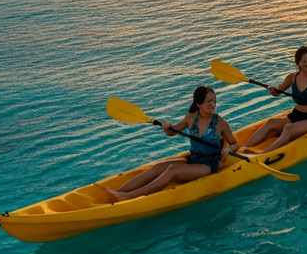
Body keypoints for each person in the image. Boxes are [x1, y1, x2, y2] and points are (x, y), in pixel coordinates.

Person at [102, 86, 239, 202]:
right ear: (199, 103)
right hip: (194, 159)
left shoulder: (221, 123)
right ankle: (117, 192)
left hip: (208, 165)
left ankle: (128, 197)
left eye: (214, 101)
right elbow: (172, 132)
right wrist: (166, 127)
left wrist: (226, 148)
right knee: (159, 167)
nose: (213, 104)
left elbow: (234, 145)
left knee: (172, 169)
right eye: (209, 101)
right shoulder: (191, 118)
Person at [242, 46, 307, 154]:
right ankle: (242, 149)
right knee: (271, 122)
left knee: (288, 128)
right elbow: (278, 91)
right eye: (304, 61)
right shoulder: (292, 77)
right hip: (295, 115)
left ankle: (262, 155)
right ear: (298, 63)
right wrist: (273, 90)